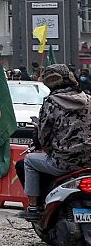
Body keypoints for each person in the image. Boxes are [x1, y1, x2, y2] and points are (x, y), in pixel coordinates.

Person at [19, 64, 91, 220]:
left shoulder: (51, 102)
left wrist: (39, 134)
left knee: (29, 161)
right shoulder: (88, 99)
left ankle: (33, 208)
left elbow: (43, 137)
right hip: (89, 162)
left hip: (63, 163)